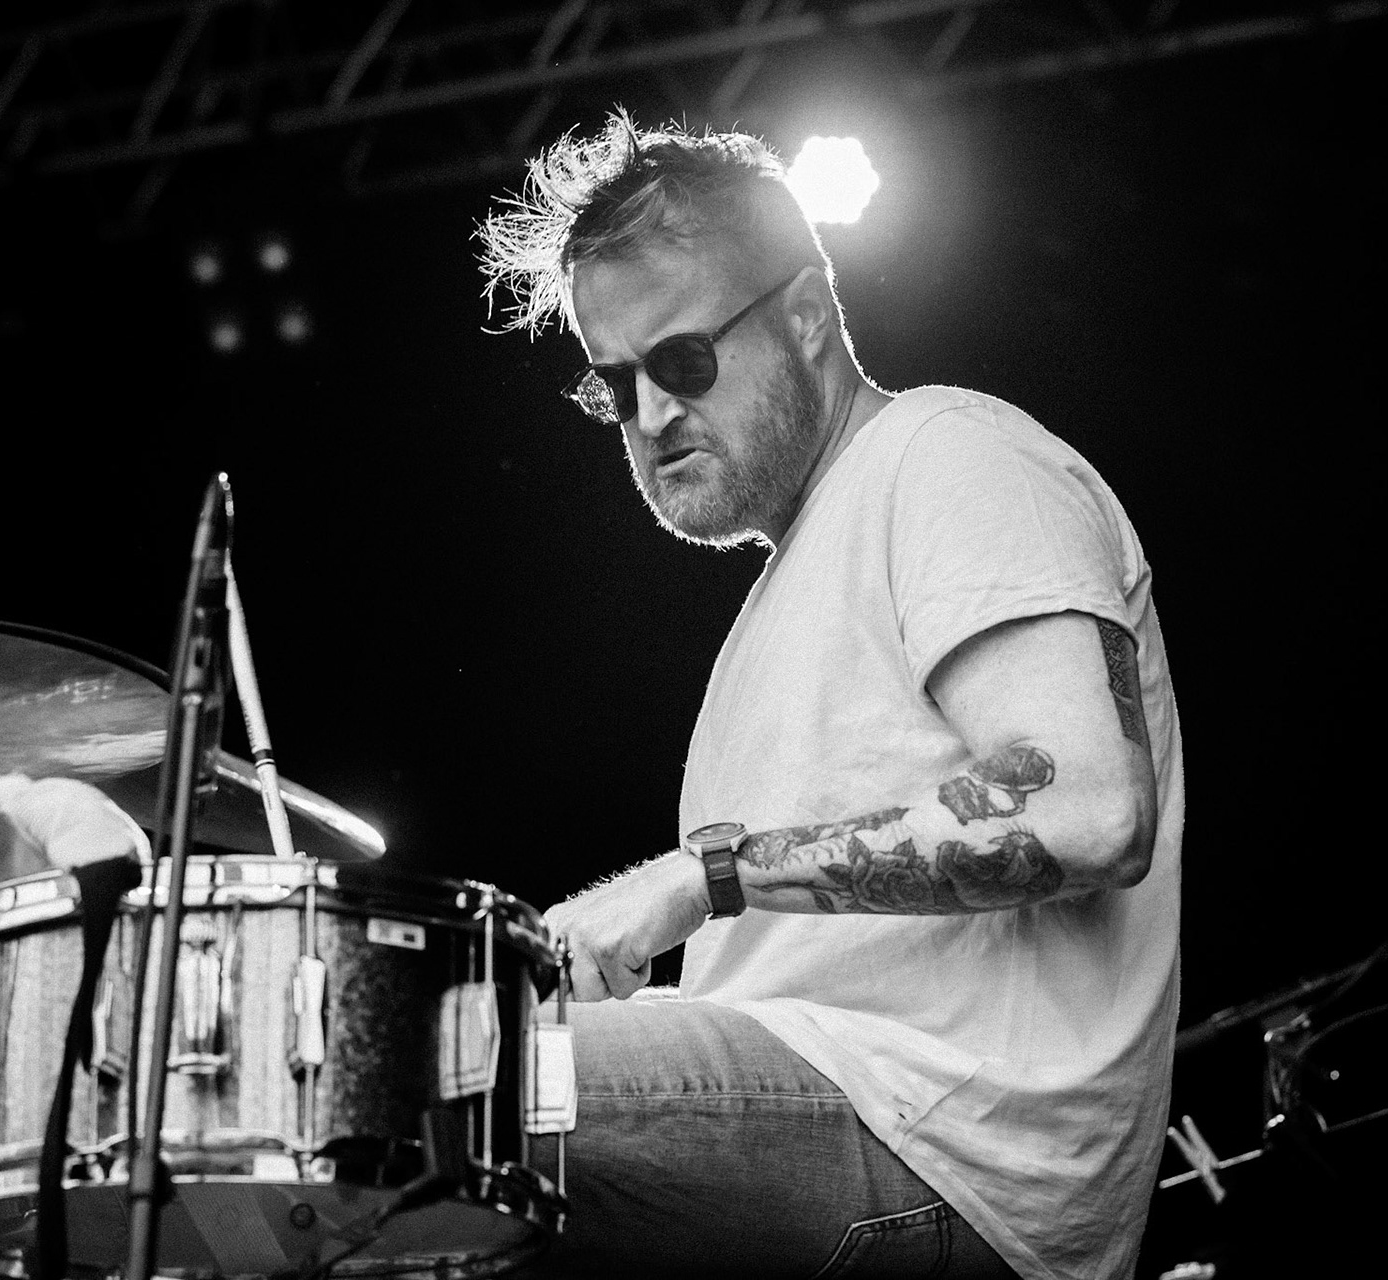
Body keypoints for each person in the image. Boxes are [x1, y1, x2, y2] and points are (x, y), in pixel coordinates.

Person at [477, 113, 1184, 1280]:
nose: (651, 415)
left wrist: (698, 876)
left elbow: (1091, 809)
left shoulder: (950, 454)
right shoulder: (782, 592)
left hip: (943, 1153)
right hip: (844, 1124)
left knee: (444, 1089)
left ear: (806, 316)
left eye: (684, 360)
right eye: (618, 385)